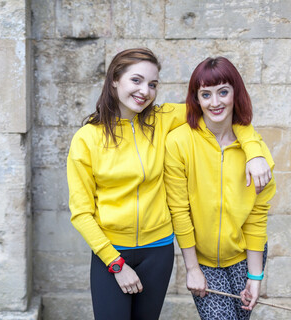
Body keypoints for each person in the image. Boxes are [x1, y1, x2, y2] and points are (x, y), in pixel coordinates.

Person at [66, 48, 272, 320]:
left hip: (158, 251)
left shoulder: (162, 119)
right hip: (112, 252)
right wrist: (116, 264)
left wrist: (254, 151)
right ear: (115, 79)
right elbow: (81, 213)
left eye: (152, 84)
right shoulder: (86, 139)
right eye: (136, 80)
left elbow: (221, 109)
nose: (145, 91)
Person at [164, 56, 276, 320]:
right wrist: (192, 268)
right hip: (202, 260)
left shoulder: (257, 156)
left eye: (223, 92)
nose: (215, 103)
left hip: (243, 256)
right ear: (197, 99)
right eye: (206, 94)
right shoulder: (179, 143)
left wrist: (255, 276)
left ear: (235, 93)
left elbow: (256, 218)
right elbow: (180, 211)